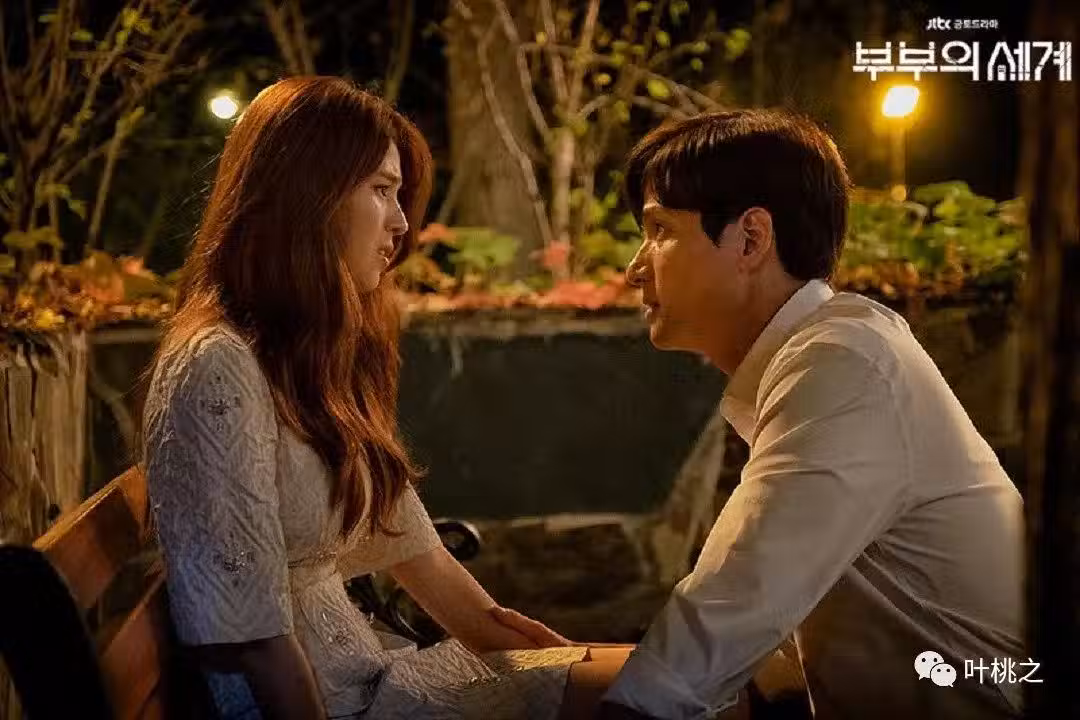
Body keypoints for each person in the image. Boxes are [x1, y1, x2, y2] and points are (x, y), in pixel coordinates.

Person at [141, 75, 629, 720]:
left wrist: (550, 660)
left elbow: (418, 554)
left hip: (374, 678)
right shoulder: (217, 364)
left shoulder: (296, 356)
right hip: (338, 706)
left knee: (678, 682)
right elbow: (254, 638)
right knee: (686, 692)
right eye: (381, 190)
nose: (401, 223)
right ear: (308, 196)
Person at [598, 110, 1024, 719]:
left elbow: (735, 600)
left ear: (751, 238)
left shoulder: (844, 361)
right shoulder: (830, 352)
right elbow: (767, 649)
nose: (635, 267)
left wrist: (627, 704)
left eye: (659, 229)